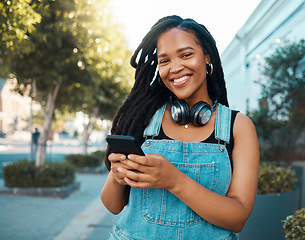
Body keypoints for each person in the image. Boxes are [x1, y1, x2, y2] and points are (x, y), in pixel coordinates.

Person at [101, 15, 259, 240]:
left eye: (186, 55)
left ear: (206, 57)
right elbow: (113, 205)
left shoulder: (238, 127)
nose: (175, 68)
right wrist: (117, 177)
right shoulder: (141, 117)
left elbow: (238, 218)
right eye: (164, 61)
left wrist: (174, 181)